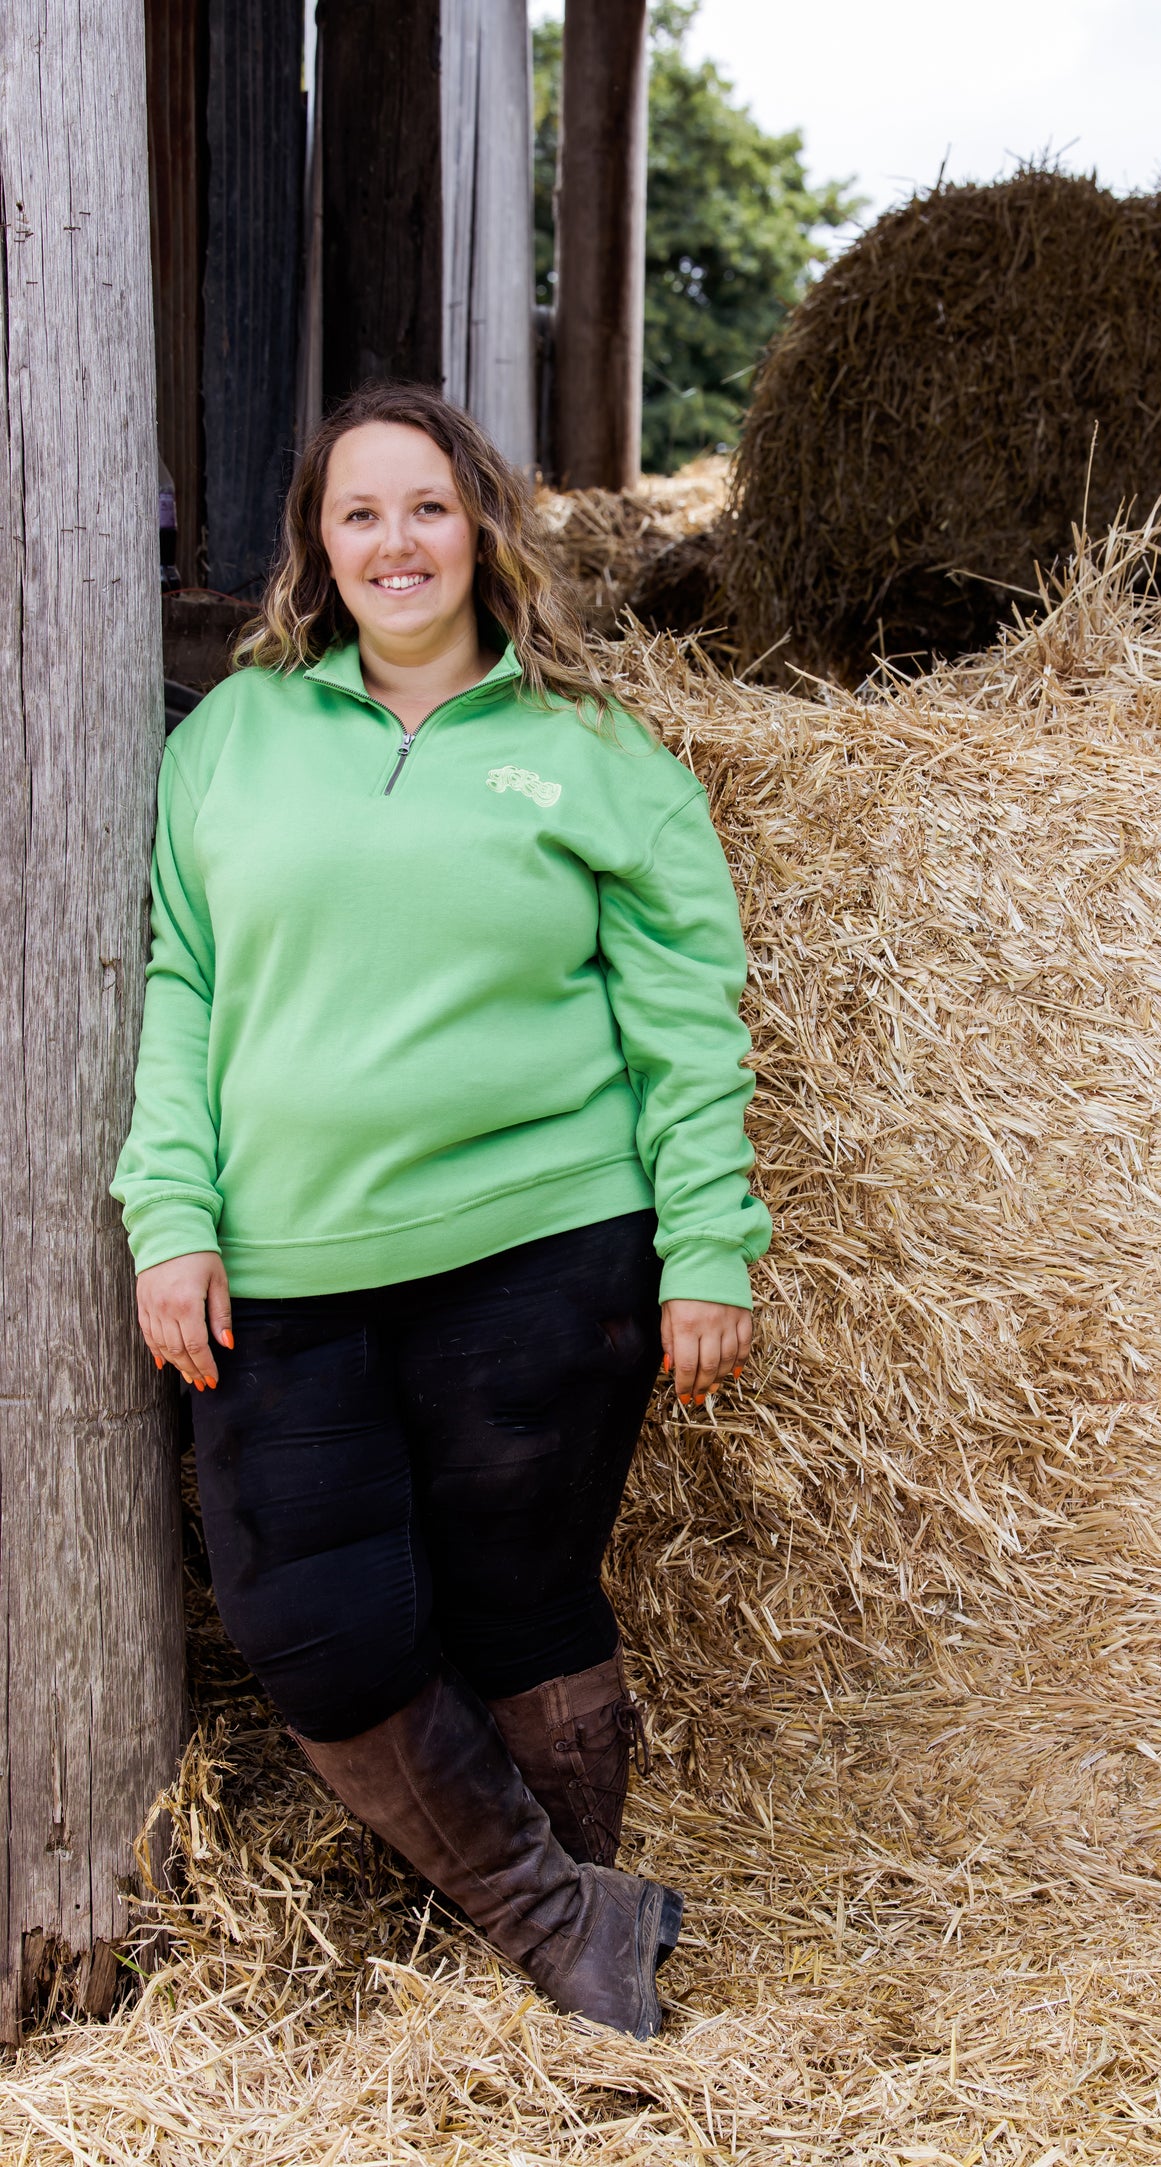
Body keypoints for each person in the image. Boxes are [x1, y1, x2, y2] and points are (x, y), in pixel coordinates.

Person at [110, 382, 770, 2040]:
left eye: (425, 507)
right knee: (315, 1628)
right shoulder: (232, 739)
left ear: (483, 526)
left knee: (517, 1604)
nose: (394, 542)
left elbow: (686, 1024)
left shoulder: (598, 762)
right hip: (284, 1259)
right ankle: (570, 1921)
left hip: (542, 1253)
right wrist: (169, 1214)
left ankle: (563, 1972)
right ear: (316, 549)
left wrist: (707, 1247)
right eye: (359, 513)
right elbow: (180, 982)